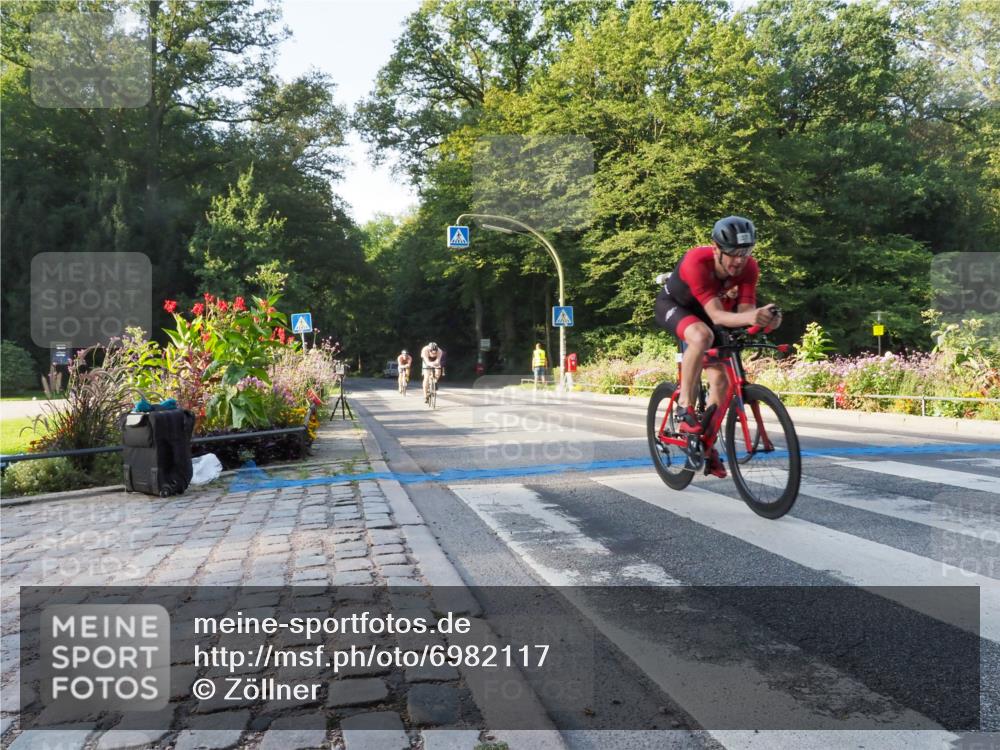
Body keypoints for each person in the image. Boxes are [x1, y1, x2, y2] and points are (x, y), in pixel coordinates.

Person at [654, 216, 781, 478]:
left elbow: (744, 313)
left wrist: (767, 321)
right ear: (716, 248)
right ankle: (684, 407)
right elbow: (717, 317)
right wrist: (751, 317)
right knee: (701, 336)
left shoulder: (749, 268)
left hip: (714, 311)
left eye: (745, 253)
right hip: (677, 307)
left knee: (722, 380)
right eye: (733, 253)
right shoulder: (696, 262)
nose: (739, 260)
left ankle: (707, 443)